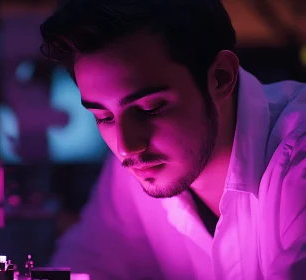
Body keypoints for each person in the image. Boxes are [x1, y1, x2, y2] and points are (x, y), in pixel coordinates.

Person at [39, 0, 306, 279]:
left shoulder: (297, 158)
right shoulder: (135, 168)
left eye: (149, 108)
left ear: (220, 77)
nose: (126, 147)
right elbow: (86, 262)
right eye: (104, 117)